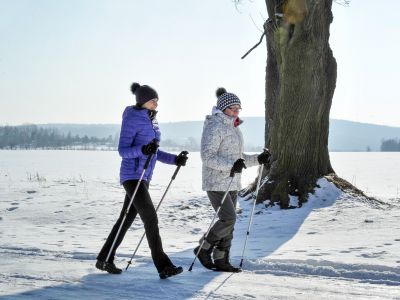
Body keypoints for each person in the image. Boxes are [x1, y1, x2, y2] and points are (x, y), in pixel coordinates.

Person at [96, 82, 188, 279]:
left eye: (156, 100)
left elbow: (154, 152)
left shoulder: (152, 120)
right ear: (143, 101)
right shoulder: (132, 119)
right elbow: (123, 151)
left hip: (144, 177)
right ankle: (164, 266)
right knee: (150, 217)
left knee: (126, 219)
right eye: (153, 100)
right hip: (131, 176)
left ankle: (104, 259)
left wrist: (175, 160)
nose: (156, 103)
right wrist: (142, 150)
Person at [195, 87, 270, 273]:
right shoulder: (214, 126)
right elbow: (207, 156)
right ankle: (203, 248)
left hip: (232, 181)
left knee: (230, 221)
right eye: (233, 108)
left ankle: (221, 260)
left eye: (239, 108)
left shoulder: (235, 128)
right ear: (223, 109)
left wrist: (257, 159)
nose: (236, 111)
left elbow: (238, 158)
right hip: (215, 181)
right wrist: (231, 165)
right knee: (229, 218)